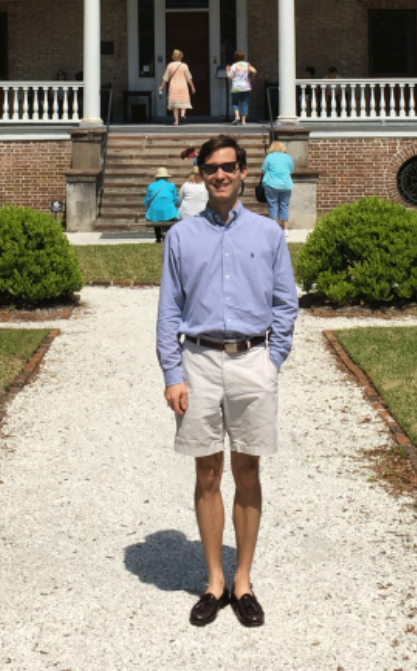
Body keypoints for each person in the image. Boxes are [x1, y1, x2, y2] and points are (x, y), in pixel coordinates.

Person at [156, 134, 299, 630]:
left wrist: (272, 359)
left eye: (228, 167)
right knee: (207, 474)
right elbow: (168, 310)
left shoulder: (268, 235)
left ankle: (244, 582)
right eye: (210, 167)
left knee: (249, 471)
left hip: (252, 360)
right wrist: (173, 373)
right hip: (197, 362)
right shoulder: (180, 236)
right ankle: (214, 582)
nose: (219, 174)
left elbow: (286, 304)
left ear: (243, 172)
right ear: (202, 173)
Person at [260, 140, 295, 233]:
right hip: (286, 185)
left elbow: (263, 169)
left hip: (272, 184)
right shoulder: (288, 157)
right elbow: (291, 169)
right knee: (284, 206)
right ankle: (286, 229)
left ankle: (274, 229)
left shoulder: (269, 157)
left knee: (273, 206)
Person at [159, 49, 195, 126]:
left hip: (173, 86)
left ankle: (176, 121)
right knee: (183, 101)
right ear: (180, 56)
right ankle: (182, 114)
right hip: (183, 85)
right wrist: (192, 86)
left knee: (175, 106)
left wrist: (162, 86)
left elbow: (166, 77)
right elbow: (189, 77)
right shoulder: (184, 66)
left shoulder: (170, 66)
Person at [144, 167, 179, 243]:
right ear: (166, 177)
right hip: (169, 212)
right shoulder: (171, 186)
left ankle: (158, 238)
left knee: (155, 215)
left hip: (154, 212)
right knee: (169, 215)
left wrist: (147, 208)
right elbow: (175, 199)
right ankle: (166, 236)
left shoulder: (151, 186)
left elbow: (147, 200)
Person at [224, 49, 257, 125]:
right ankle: (243, 121)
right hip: (246, 86)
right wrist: (251, 78)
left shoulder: (234, 66)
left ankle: (237, 116)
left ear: (235, 57)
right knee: (245, 103)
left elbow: (229, 77)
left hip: (236, 87)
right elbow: (254, 71)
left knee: (235, 103)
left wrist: (227, 70)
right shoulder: (247, 64)